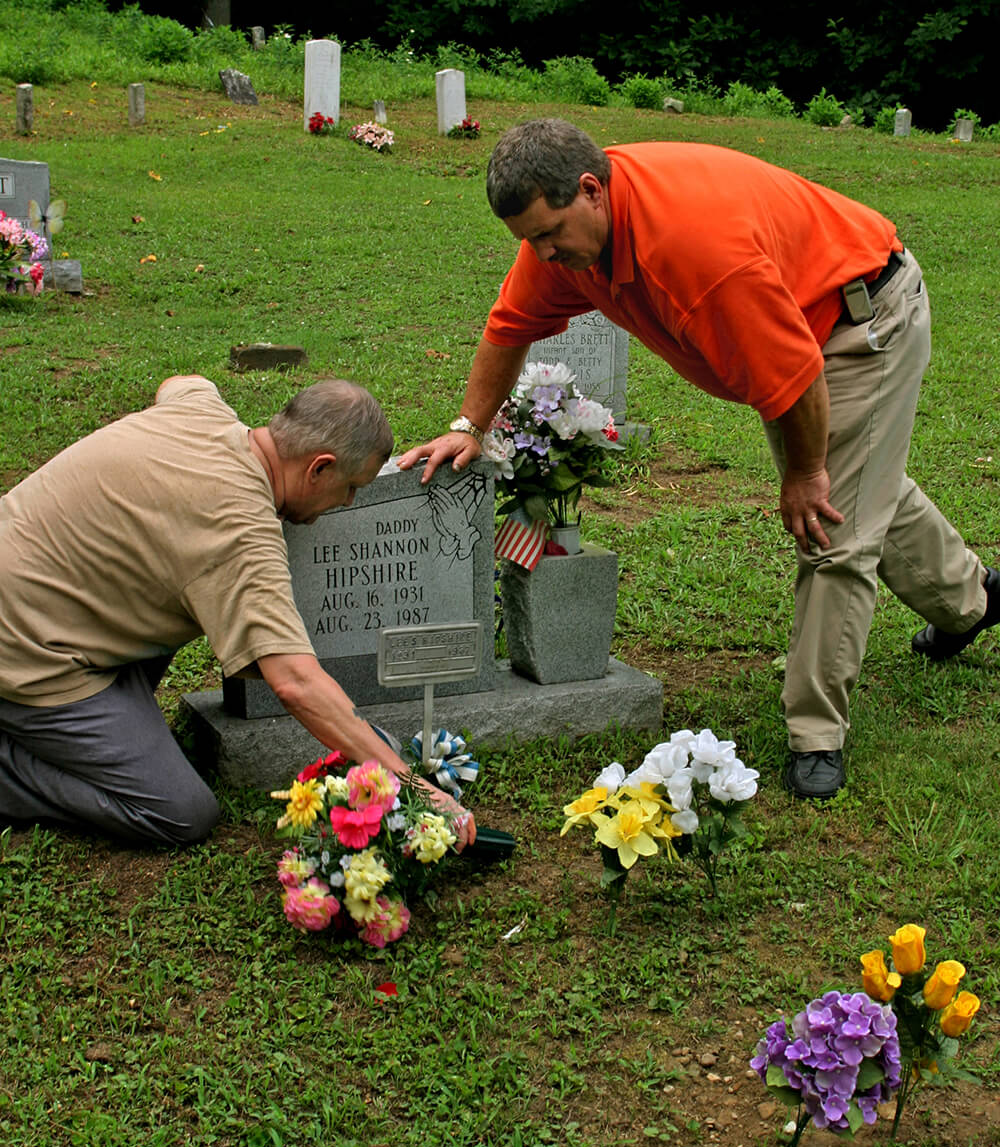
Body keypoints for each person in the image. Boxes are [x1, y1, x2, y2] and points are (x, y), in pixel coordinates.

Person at [398, 117, 997, 801]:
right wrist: (472, 424)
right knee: (861, 486)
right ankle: (972, 600)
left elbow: (796, 374)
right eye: (528, 240)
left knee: (830, 524)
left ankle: (816, 733)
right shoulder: (571, 242)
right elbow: (509, 326)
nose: (541, 252)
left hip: (861, 320)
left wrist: (804, 475)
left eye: (549, 233)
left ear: (592, 190)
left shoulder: (694, 249)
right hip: (800, 322)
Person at [0, 374, 476, 847]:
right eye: (350, 486)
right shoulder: (242, 532)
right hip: (29, 654)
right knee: (181, 811)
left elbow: (181, 381)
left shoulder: (203, 411)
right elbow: (294, 682)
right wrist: (414, 789)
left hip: (40, 592)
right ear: (318, 468)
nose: (350, 502)